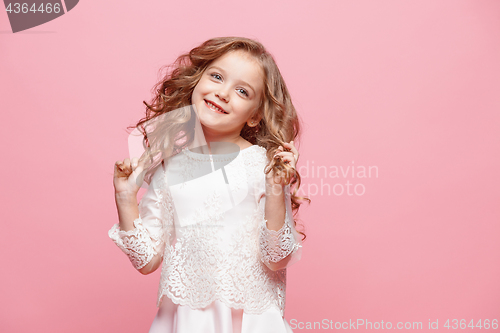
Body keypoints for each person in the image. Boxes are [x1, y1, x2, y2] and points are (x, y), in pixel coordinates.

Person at [108, 36, 309, 333]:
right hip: (186, 320)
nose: (223, 93)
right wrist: (125, 197)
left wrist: (276, 188)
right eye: (216, 77)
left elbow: (277, 259)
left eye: (242, 91)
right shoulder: (169, 167)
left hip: (248, 321)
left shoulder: (263, 167)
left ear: (255, 116)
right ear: (196, 81)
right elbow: (147, 260)